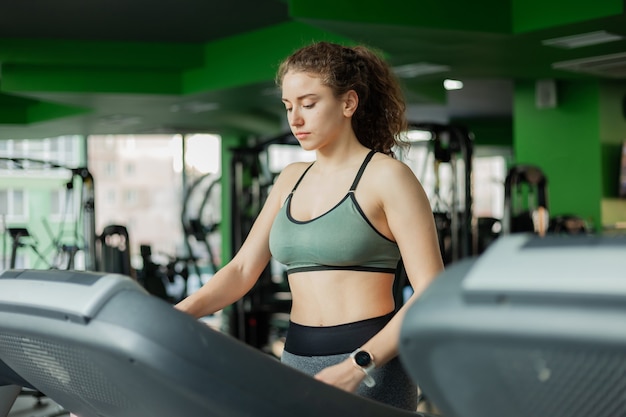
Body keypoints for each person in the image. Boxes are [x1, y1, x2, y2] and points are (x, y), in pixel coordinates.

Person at [175, 41, 444, 411]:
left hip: (370, 366)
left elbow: (432, 291)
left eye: (309, 103)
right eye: (288, 106)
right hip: (297, 360)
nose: (295, 119)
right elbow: (240, 270)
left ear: (348, 103)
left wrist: (357, 365)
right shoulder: (291, 178)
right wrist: (175, 315)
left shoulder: (388, 177)